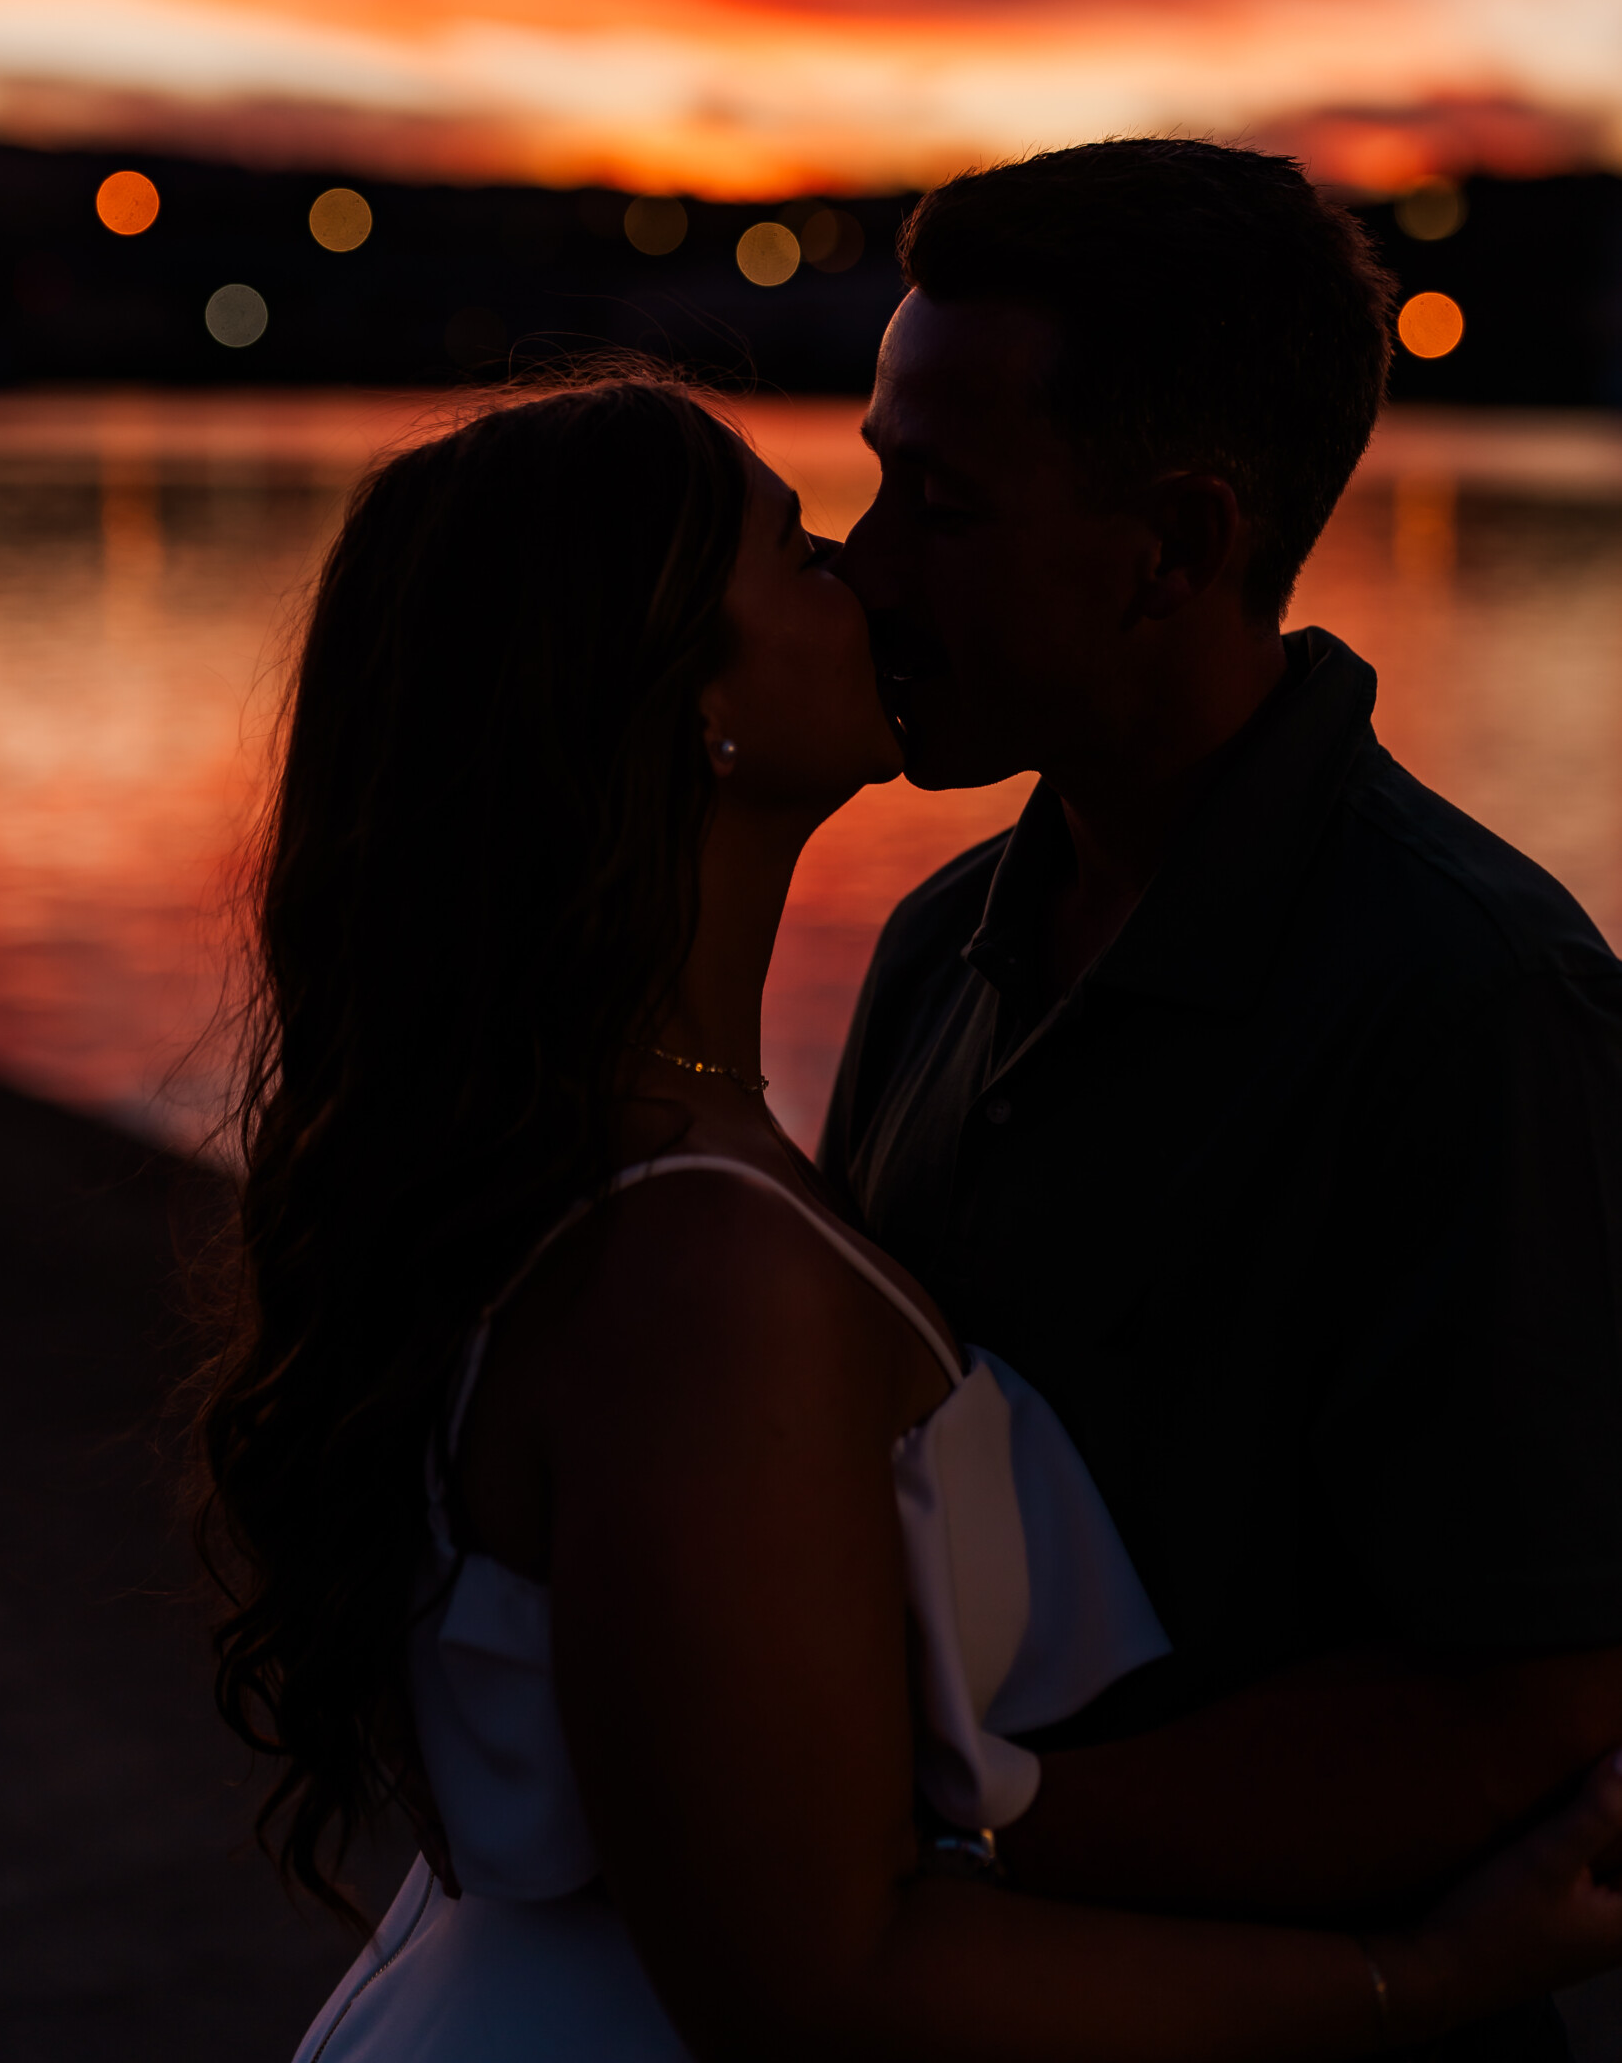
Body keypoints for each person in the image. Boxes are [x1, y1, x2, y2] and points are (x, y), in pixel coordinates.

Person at [197, 369, 1622, 2063]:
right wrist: (1424, 1978)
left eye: (908, 514)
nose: (866, 578)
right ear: (689, 705)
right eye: (805, 548)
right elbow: (822, 1981)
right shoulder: (700, 1262)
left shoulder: (638, 1149)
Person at [820, 141, 1622, 2062]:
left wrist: (929, 1845)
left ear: (1173, 545)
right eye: (872, 481)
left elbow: (1536, 1694)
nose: (864, 568)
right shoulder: (943, 945)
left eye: (935, 504)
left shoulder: (1475, 1004)